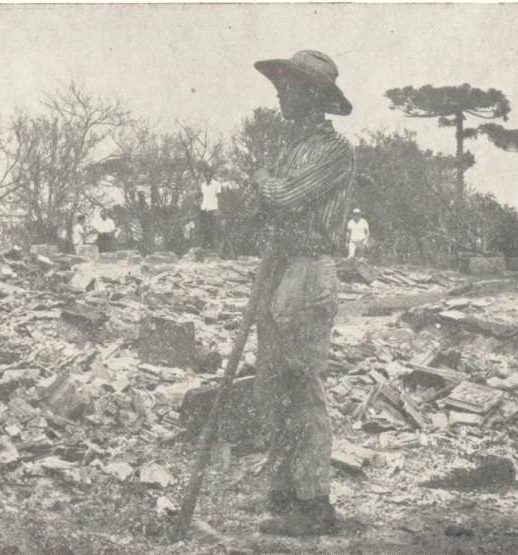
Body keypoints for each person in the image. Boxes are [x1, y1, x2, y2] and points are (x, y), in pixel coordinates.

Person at [239, 50, 354, 536]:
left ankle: (313, 505)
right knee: (274, 389)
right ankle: (284, 494)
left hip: (309, 270)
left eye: (288, 87)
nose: (280, 94)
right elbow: (258, 209)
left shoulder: (335, 150)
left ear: (313, 95)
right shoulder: (289, 149)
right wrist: (266, 184)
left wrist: (263, 178)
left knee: (303, 389)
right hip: (280, 268)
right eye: (280, 86)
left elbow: (282, 199)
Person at [199, 169, 221, 250]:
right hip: (204, 208)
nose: (207, 177)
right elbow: (202, 196)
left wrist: (218, 209)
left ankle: (211, 245)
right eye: (206, 176)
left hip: (213, 208)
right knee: (204, 227)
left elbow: (219, 197)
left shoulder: (216, 184)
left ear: (211, 176)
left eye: (209, 175)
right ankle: (205, 245)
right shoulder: (203, 185)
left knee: (211, 228)